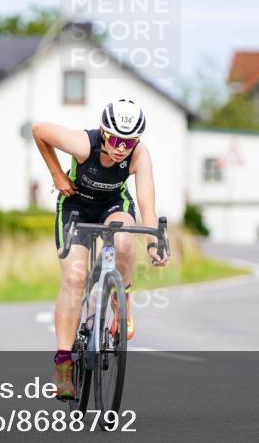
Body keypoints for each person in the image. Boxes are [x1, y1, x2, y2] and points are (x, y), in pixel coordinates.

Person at [32, 99, 170, 400]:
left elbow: (146, 203)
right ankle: (64, 365)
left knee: (123, 237)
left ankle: (123, 296)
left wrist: (152, 242)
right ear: (104, 133)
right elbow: (39, 130)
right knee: (74, 278)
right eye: (117, 139)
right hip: (76, 207)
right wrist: (57, 174)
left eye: (130, 142)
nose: (122, 148)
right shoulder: (83, 145)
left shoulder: (138, 155)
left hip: (112, 206)